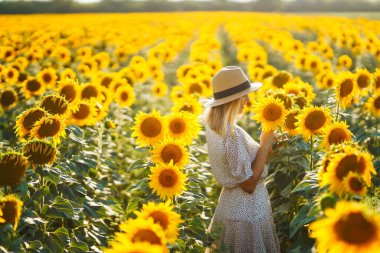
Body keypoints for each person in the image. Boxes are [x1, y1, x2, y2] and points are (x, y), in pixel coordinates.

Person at [202, 66, 281, 253]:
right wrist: (263, 145)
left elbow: (242, 167)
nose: (248, 100)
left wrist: (268, 150)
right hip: (247, 214)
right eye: (244, 95)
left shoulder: (215, 128)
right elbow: (248, 184)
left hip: (230, 209)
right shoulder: (232, 134)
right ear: (232, 100)